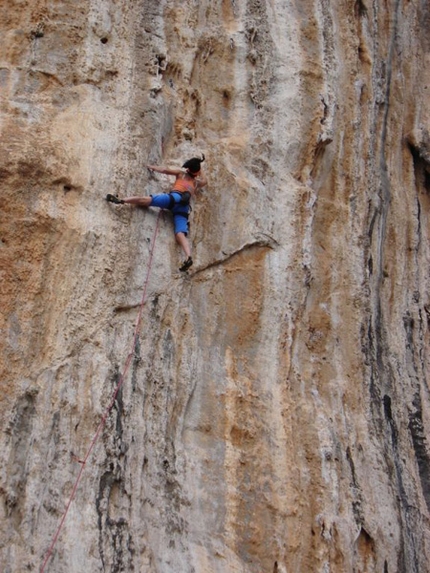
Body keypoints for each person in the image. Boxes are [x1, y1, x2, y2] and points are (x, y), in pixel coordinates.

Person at [106, 155, 208, 272]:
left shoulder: (181, 174)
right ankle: (188, 256)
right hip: (183, 208)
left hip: (174, 198)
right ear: (197, 172)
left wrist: (152, 167)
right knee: (180, 233)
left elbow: (164, 170)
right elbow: (205, 181)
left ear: (188, 169)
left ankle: (122, 200)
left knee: (145, 200)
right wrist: (201, 171)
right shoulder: (195, 183)